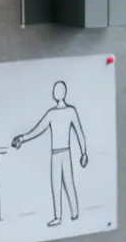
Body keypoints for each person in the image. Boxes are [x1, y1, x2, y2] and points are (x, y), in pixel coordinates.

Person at [13, 80, 88, 228]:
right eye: (55, 90)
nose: (56, 92)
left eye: (57, 90)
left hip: (63, 153)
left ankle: (74, 213)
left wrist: (84, 152)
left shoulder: (69, 111)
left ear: (62, 93)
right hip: (57, 154)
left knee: (68, 183)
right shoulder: (52, 113)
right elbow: (38, 129)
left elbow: (79, 132)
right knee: (56, 186)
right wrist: (22, 138)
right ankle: (59, 217)